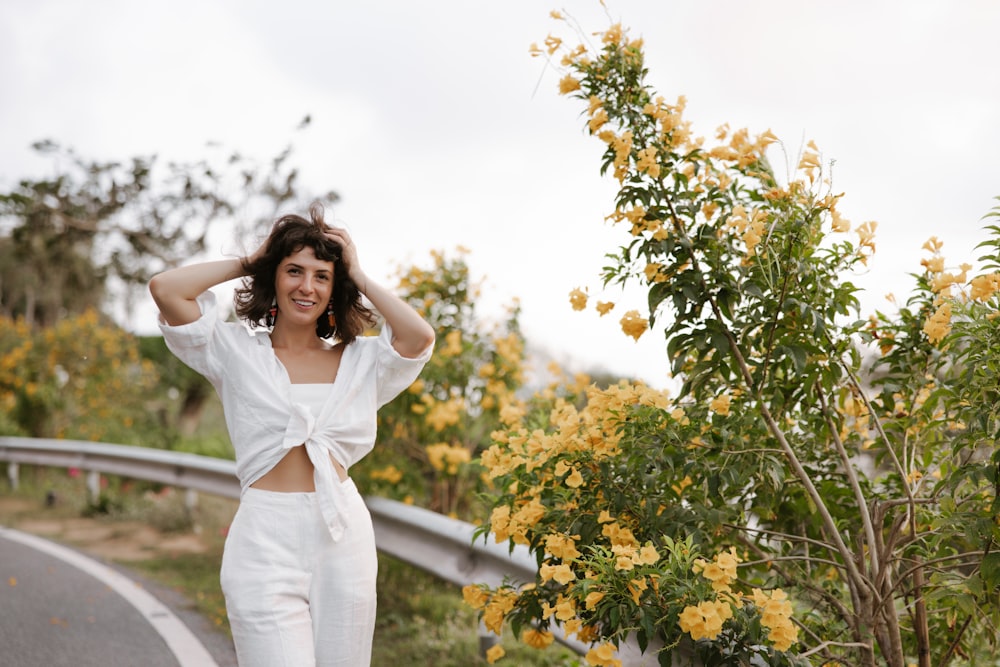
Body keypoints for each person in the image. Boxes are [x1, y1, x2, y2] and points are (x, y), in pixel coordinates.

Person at [148, 202, 435, 666]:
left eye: (322, 276)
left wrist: (356, 272)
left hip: (343, 534)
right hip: (263, 536)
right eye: (294, 271)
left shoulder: (361, 361)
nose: (307, 286)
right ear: (274, 279)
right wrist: (252, 259)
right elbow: (165, 289)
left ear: (333, 288)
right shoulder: (234, 350)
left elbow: (418, 338)